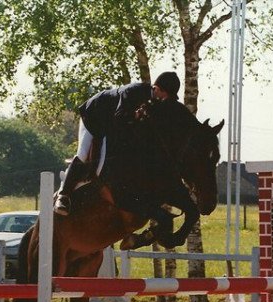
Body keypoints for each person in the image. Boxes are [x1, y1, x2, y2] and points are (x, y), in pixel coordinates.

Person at [54, 71, 181, 216]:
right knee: (83, 154)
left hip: (111, 124)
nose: (167, 99)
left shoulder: (155, 101)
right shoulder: (133, 91)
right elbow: (119, 118)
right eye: (166, 95)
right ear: (158, 89)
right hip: (94, 116)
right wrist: (135, 116)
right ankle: (63, 195)